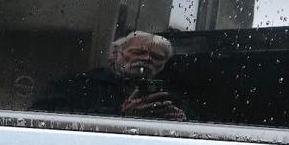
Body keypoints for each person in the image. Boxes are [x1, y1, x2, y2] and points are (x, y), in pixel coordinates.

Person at [33, 30, 188, 121]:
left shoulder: (171, 97)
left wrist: (179, 121)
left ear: (163, 65)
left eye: (157, 57)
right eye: (138, 52)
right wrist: (121, 115)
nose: (147, 59)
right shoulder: (77, 84)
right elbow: (42, 117)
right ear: (115, 54)